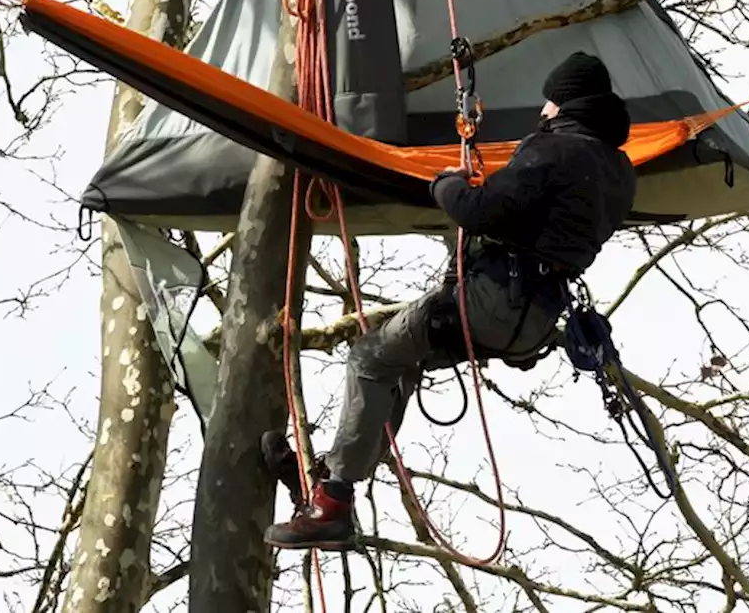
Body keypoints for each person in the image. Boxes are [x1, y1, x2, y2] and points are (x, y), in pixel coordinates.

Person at [262, 51, 638, 551]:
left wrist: (447, 183)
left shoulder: (553, 149)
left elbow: (479, 211)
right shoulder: (620, 171)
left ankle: (332, 500)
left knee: (370, 357)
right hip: (536, 321)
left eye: (549, 103)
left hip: (492, 300)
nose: (543, 111)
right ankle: (336, 473)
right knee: (402, 362)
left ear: (564, 104)